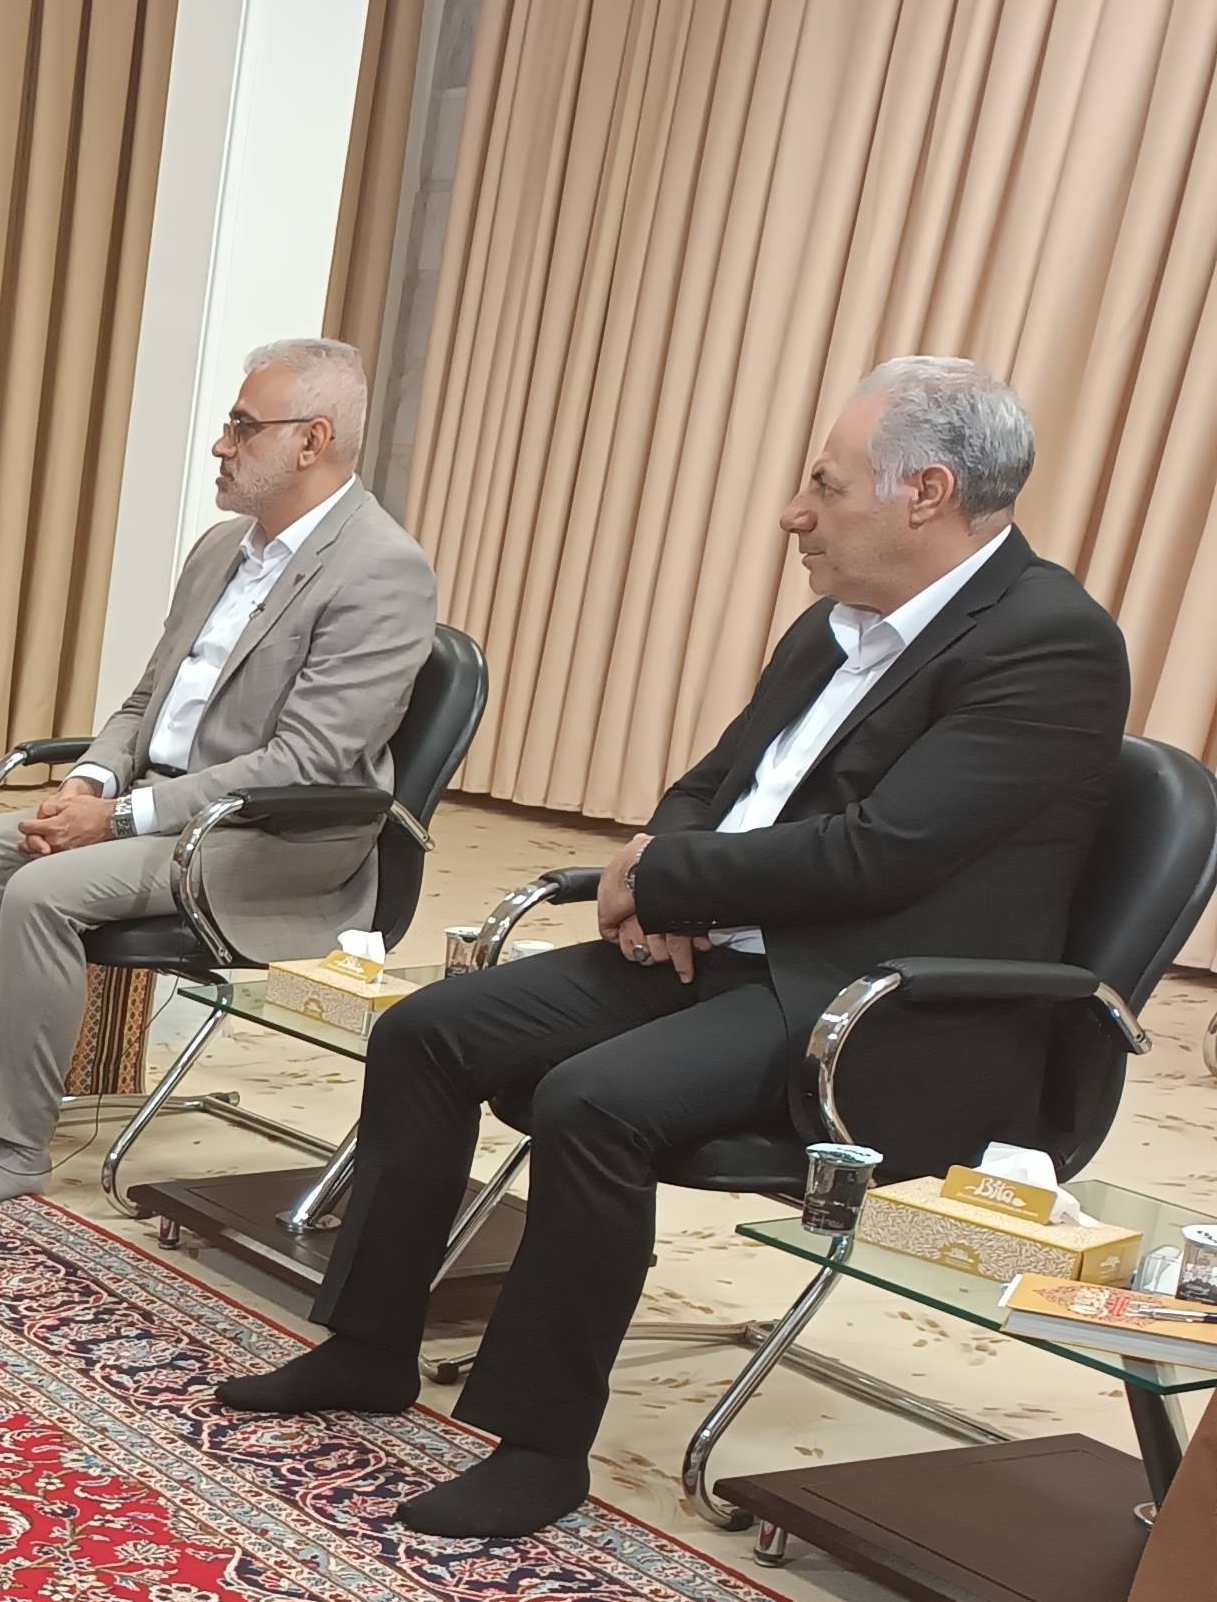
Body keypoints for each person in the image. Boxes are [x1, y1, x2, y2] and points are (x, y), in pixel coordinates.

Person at [225, 355, 1131, 1541]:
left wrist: (662, 878)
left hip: (873, 1002)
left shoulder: (1051, 644)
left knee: (592, 1101)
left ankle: (539, 1446)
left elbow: (886, 853)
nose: (794, 514)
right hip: (729, 953)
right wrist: (663, 864)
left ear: (927, 494)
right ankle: (368, 1345)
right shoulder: (833, 623)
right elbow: (715, 783)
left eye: (824, 486)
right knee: (427, 1032)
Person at [0, 338, 438, 1206]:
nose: (221, 445)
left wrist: (118, 820)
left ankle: (17, 1145)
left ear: (312, 440)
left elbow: (306, 760)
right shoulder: (221, 549)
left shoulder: (381, 569)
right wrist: (92, 782)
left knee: (45, 891)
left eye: (243, 427)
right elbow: (147, 700)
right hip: (162, 811)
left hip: (274, 838)